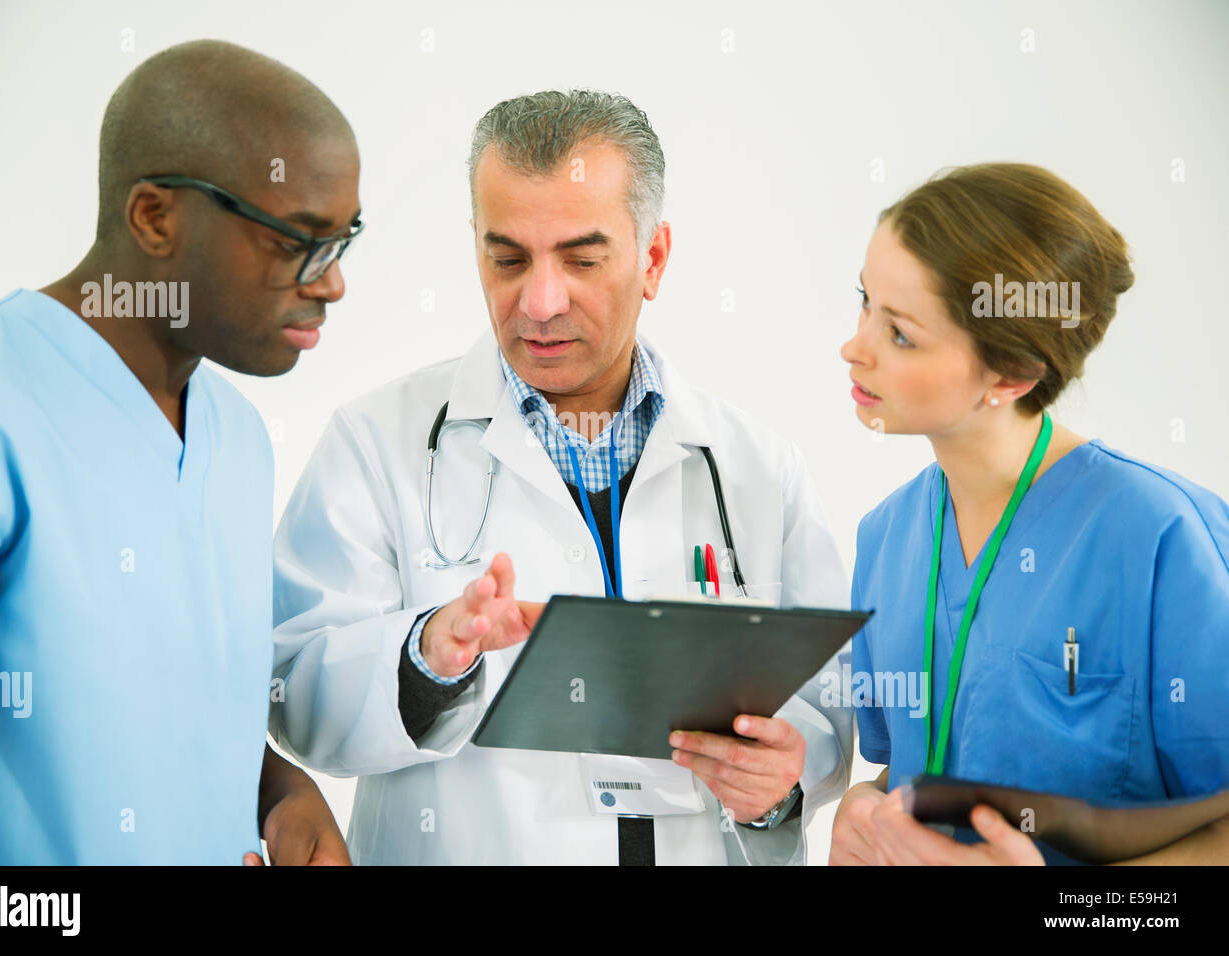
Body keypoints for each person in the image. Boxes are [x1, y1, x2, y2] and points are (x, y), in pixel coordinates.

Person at [270, 89, 851, 865]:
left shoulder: (753, 467)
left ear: (653, 258)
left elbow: (830, 707)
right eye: (507, 258)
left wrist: (782, 775)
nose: (540, 303)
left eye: (582, 258)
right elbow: (294, 692)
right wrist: (424, 659)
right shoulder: (377, 443)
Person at [0, 40, 360, 865]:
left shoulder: (234, 437)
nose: (331, 281)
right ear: (156, 218)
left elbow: (161, 701)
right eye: (296, 239)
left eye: (343, 240)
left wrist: (277, 788)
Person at [830, 162, 1229, 865]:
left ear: (1011, 376)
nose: (853, 347)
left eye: (899, 333)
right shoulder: (886, 539)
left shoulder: (1163, 539)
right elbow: (921, 773)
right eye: (865, 302)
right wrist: (866, 808)